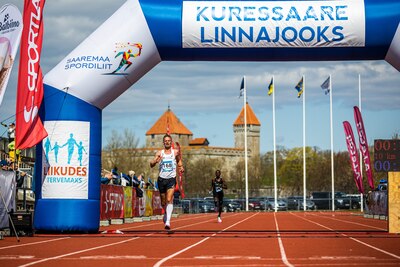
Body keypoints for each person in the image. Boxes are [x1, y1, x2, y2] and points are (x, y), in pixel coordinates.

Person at [150, 134, 184, 230]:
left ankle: (168, 221)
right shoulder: (160, 153)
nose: (167, 142)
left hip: (171, 179)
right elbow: (151, 164)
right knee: (163, 201)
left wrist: (181, 167)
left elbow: (179, 162)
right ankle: (165, 214)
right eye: (165, 141)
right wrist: (155, 161)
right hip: (161, 179)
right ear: (163, 142)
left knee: (169, 199)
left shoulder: (175, 152)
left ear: (171, 142)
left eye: (169, 140)